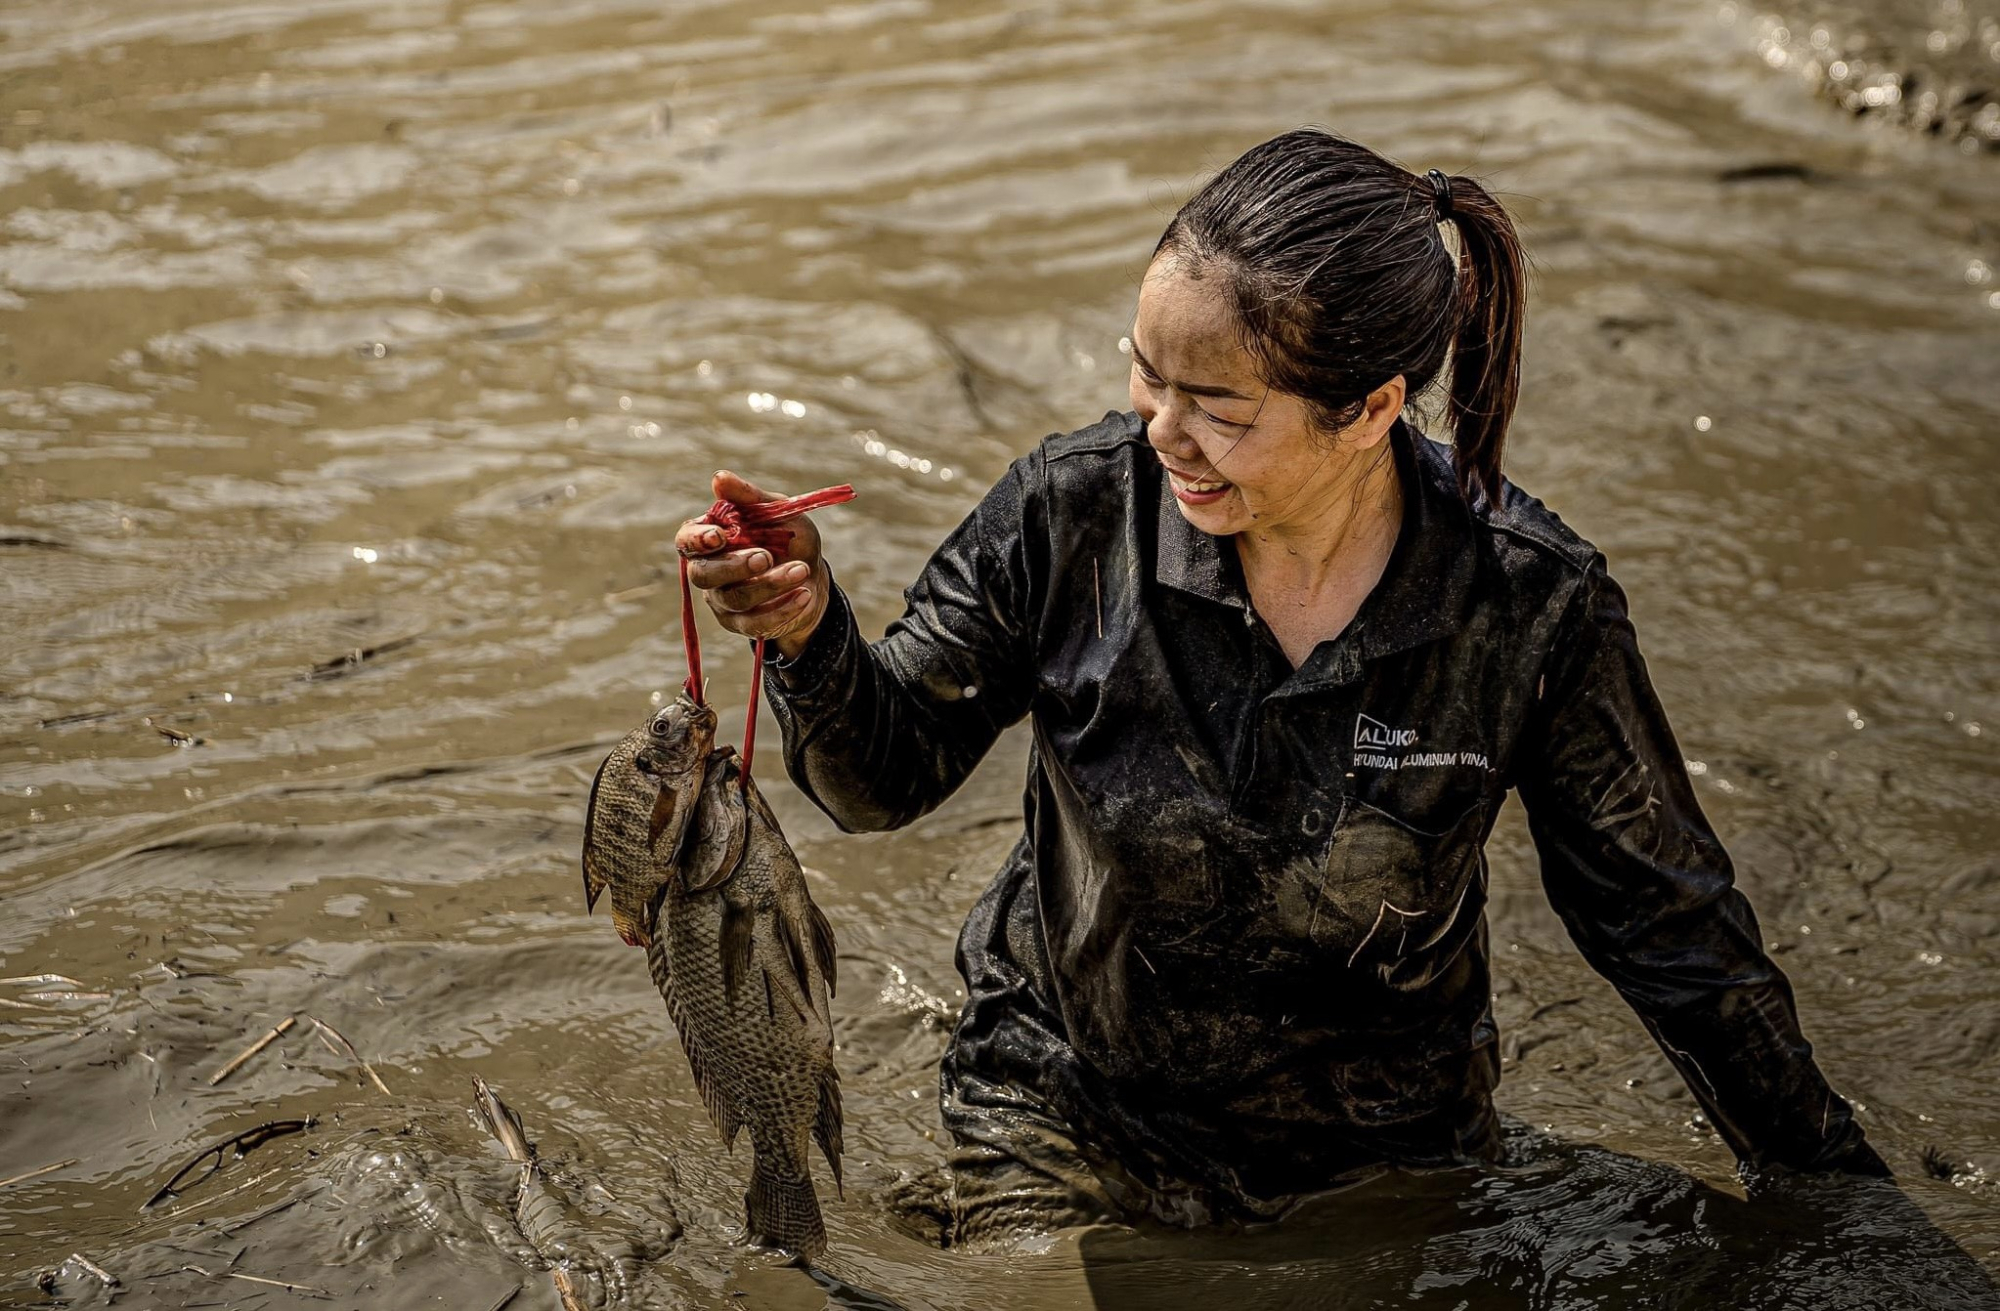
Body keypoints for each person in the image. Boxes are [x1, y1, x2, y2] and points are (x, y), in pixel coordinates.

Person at [673, 126, 1887, 1248]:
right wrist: (809, 631)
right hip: (1056, 1122)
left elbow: (1668, 934)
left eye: (1215, 408)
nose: (1158, 432)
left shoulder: (1527, 606)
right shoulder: (1073, 514)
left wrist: (1850, 1213)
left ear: (1367, 410)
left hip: (1386, 1156)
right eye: (1145, 375)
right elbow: (880, 782)